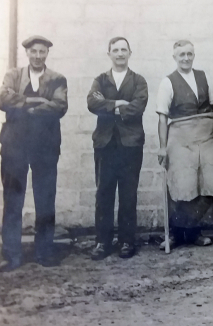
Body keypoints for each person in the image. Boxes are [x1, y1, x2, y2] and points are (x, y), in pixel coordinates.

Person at [0, 35, 68, 272]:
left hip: (45, 147)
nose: (38, 56)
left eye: (42, 52)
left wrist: (22, 105)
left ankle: (45, 252)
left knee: (45, 199)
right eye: (34, 52)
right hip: (15, 146)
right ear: (27, 53)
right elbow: (2, 99)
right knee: (13, 200)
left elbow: (59, 107)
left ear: (47, 54)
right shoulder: (13, 75)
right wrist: (35, 100)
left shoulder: (57, 79)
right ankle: (11, 255)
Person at [155, 40, 213, 249]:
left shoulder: (204, 77)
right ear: (174, 57)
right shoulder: (167, 82)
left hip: (204, 135)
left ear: (194, 55)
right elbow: (162, 118)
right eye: (181, 55)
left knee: (208, 184)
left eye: (189, 54)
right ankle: (176, 233)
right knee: (182, 185)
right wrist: (162, 146)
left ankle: (194, 231)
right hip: (180, 138)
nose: (186, 58)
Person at [87, 37, 148, 260]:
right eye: (115, 50)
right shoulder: (100, 80)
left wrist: (111, 108)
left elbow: (138, 107)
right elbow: (92, 102)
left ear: (130, 53)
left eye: (124, 50)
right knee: (103, 193)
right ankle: (102, 242)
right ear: (109, 54)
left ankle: (126, 241)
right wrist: (117, 104)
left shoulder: (139, 81)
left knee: (128, 195)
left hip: (130, 145)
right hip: (105, 144)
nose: (120, 53)